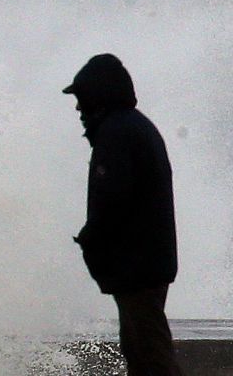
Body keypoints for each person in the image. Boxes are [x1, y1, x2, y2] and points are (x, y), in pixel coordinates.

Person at [65, 53, 183, 376]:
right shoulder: (133, 127)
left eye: (81, 98)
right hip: (146, 264)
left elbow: (112, 202)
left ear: (98, 95)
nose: (78, 108)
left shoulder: (116, 134)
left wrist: (91, 239)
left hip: (138, 267)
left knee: (151, 357)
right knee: (141, 351)